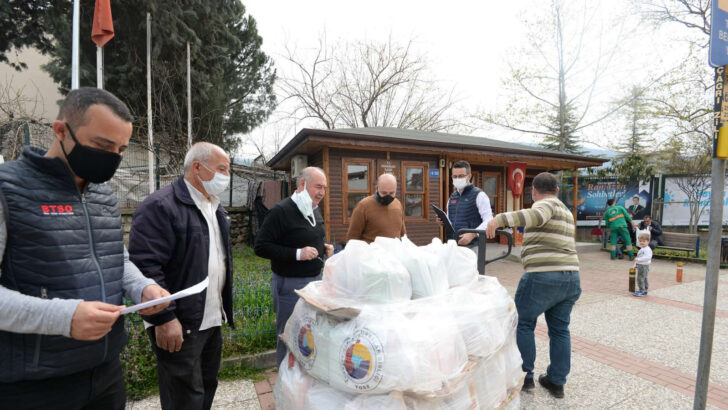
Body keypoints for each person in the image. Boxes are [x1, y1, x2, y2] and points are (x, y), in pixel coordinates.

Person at [0, 87, 170, 409]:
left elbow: (115, 257)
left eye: (120, 149)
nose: (113, 158)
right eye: (102, 146)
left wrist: (142, 287)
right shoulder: (8, 188)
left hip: (106, 372)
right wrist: (63, 316)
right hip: (33, 385)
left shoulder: (103, 195)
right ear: (60, 130)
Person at [129, 142, 235, 410]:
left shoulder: (215, 208)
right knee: (184, 397)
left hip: (211, 319)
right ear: (197, 168)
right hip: (179, 321)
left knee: (206, 386)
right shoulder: (160, 207)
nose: (227, 176)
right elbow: (145, 267)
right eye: (222, 169)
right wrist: (163, 318)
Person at [485, 172, 580, 399]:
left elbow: (536, 215)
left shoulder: (545, 205)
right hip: (571, 278)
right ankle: (556, 382)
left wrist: (500, 219)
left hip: (542, 276)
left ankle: (525, 376)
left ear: (534, 192)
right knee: (559, 330)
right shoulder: (566, 211)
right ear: (557, 190)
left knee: (524, 324)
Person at [254, 167, 334, 366]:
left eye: (324, 187)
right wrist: (298, 254)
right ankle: (284, 381)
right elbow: (261, 247)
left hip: (315, 282)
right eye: (318, 186)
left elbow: (312, 235)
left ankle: (303, 380)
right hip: (290, 285)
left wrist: (324, 248)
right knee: (288, 334)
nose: (322, 192)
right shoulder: (281, 211)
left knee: (310, 333)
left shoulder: (313, 209)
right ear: (302, 184)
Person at [446, 160, 493, 250]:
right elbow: (450, 221)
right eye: (455, 176)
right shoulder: (452, 197)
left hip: (473, 247)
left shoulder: (479, 195)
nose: (457, 179)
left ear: (469, 176)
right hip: (453, 246)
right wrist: (443, 221)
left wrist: (473, 234)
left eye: (461, 176)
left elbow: (489, 220)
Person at [346, 173, 406, 243]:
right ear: (377, 188)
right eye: (384, 193)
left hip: (394, 253)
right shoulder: (363, 206)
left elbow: (403, 235)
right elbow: (352, 238)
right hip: (371, 253)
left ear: (396, 189)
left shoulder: (398, 204)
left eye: (391, 193)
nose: (388, 196)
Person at [633, 231, 653, 297]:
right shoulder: (643, 248)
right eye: (640, 241)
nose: (642, 243)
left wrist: (638, 259)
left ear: (648, 241)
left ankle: (642, 290)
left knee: (641, 278)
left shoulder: (647, 249)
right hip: (641, 265)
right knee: (644, 277)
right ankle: (644, 289)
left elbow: (647, 257)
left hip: (643, 266)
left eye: (644, 241)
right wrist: (636, 264)